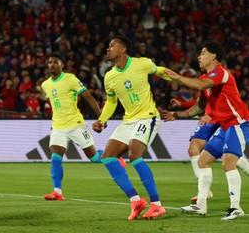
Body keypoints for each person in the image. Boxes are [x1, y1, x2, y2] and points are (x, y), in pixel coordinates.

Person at [161, 42, 249, 220]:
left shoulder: (220, 73)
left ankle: (235, 208)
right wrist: (176, 115)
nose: (199, 57)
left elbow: (200, 86)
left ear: (213, 56)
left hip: (238, 122)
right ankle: (200, 205)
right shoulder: (206, 81)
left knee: (229, 162)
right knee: (203, 160)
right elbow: (198, 108)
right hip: (224, 125)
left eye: (203, 53)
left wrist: (178, 78)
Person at [92, 35, 172, 220]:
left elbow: (161, 71)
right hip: (128, 121)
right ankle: (136, 200)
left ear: (123, 49)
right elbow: (111, 102)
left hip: (147, 117)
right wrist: (102, 119)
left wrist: (182, 80)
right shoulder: (109, 76)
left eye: (112, 46)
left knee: (134, 154)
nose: (108, 49)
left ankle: (157, 205)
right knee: (107, 157)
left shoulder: (141, 63)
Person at [40, 52, 113, 201]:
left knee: (94, 158)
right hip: (58, 126)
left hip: (76, 125)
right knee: (55, 157)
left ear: (62, 65)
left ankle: (114, 157)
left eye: (55, 62)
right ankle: (57, 191)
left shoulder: (70, 79)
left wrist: (101, 117)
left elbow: (88, 97)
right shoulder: (45, 85)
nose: (51, 65)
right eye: (49, 62)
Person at [162, 93, 249, 204]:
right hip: (210, 119)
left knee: (229, 155)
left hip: (227, 119)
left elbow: (229, 102)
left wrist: (212, 115)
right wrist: (183, 104)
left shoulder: (221, 79)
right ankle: (204, 191)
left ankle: (234, 205)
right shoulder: (203, 80)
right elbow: (201, 102)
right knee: (193, 148)